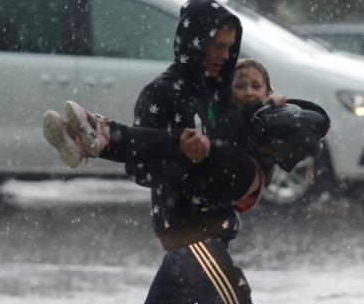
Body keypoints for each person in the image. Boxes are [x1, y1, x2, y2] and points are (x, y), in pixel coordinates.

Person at [62, 0, 337, 304]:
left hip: (209, 230)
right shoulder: (162, 93)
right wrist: (185, 158)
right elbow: (142, 170)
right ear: (192, 39)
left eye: (230, 47)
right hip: (191, 233)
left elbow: (273, 136)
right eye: (215, 44)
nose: (222, 55)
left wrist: (264, 108)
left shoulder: (222, 92)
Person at [42, 58, 328, 213]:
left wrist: (277, 110)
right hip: (212, 177)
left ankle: (104, 132)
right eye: (241, 86)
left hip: (241, 180)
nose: (249, 92)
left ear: (268, 90)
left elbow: (300, 146)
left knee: (183, 141)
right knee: (168, 149)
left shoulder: (264, 114)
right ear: (229, 90)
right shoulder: (223, 113)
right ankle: (87, 144)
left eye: (257, 86)